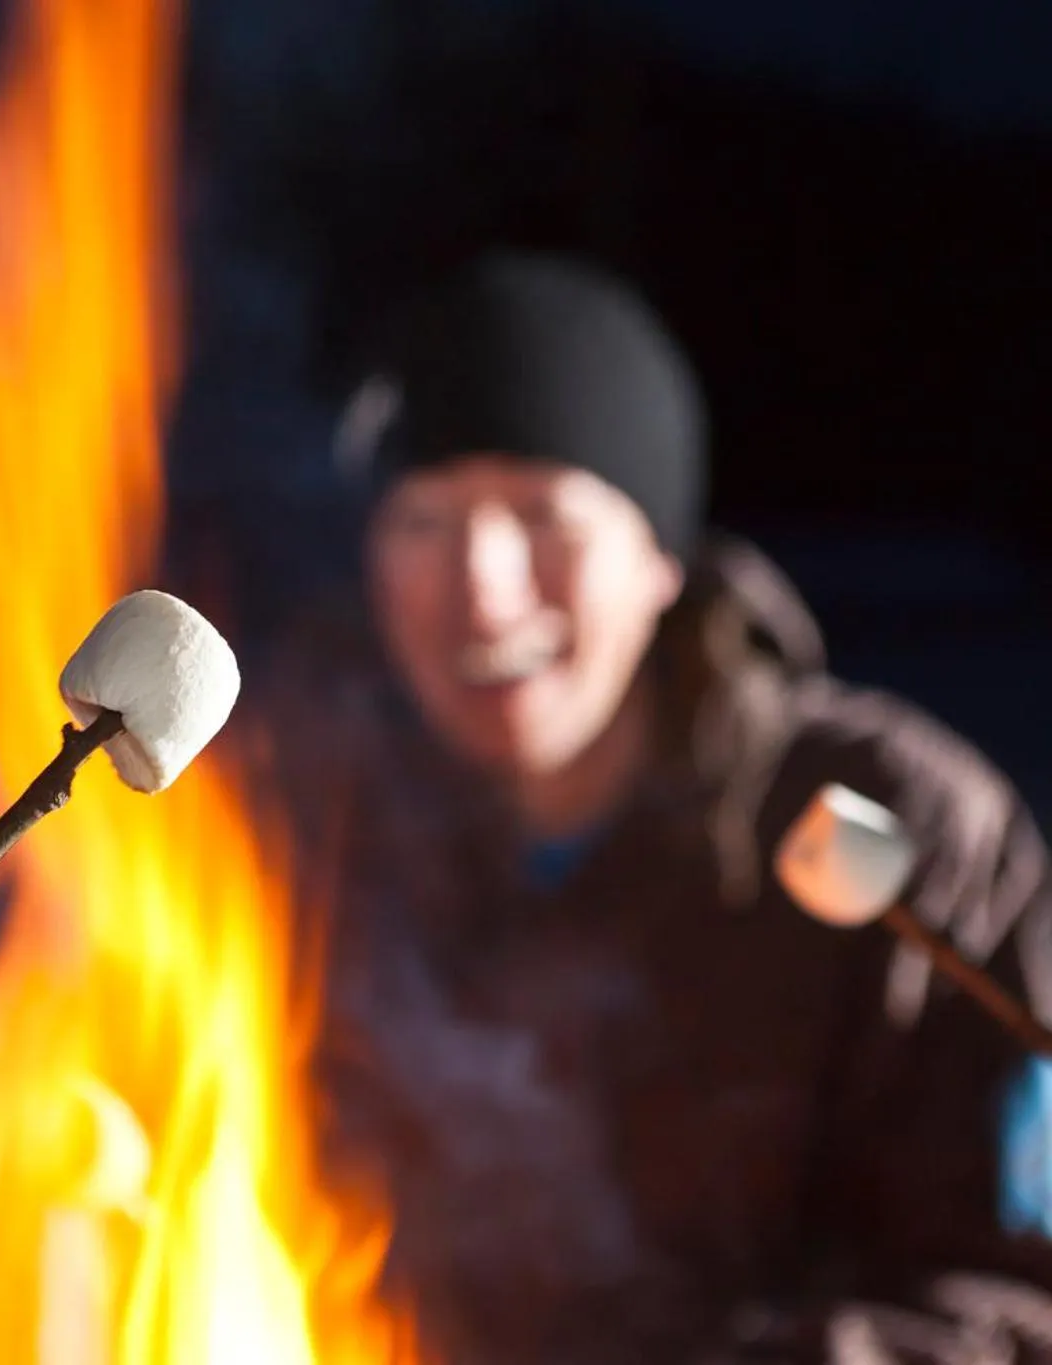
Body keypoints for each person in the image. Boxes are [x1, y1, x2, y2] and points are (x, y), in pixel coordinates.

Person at [267, 251, 1052, 1365]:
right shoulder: (306, 834)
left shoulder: (894, 834)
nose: (482, 585)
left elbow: (1019, 1293)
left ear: (657, 558)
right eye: (424, 520)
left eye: (540, 512)